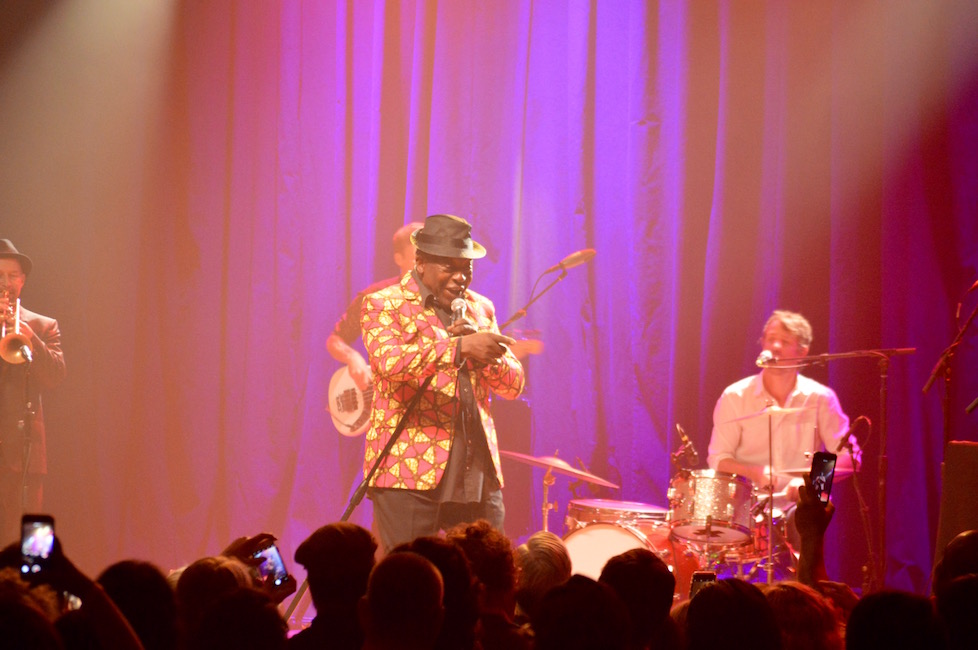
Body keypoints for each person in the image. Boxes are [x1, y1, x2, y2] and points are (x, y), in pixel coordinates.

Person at [359, 214, 525, 551]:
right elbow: (389, 363)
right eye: (449, 267)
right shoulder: (384, 304)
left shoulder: (481, 308)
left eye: (466, 267)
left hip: (475, 471)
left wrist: (484, 355)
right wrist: (457, 348)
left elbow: (513, 385)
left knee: (485, 579)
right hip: (408, 472)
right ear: (420, 262)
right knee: (409, 583)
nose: (460, 277)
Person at [707, 310, 858, 500]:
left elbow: (851, 458)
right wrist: (754, 471)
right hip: (748, 507)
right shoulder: (735, 396)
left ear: (802, 352)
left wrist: (814, 479)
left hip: (803, 505)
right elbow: (718, 459)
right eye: (771, 340)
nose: (775, 347)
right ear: (762, 344)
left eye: (785, 342)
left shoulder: (820, 397)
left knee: (812, 514)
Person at [0, 239, 66, 540]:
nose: (6, 283)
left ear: (22, 281)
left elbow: (55, 377)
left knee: (23, 540)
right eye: (0, 276)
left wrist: (32, 342)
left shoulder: (44, 325)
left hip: (24, 453)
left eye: (12, 276)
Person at [326, 222, 423, 393]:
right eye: (418, 257)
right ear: (399, 259)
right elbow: (335, 340)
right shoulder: (374, 296)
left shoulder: (446, 301)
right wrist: (352, 357)